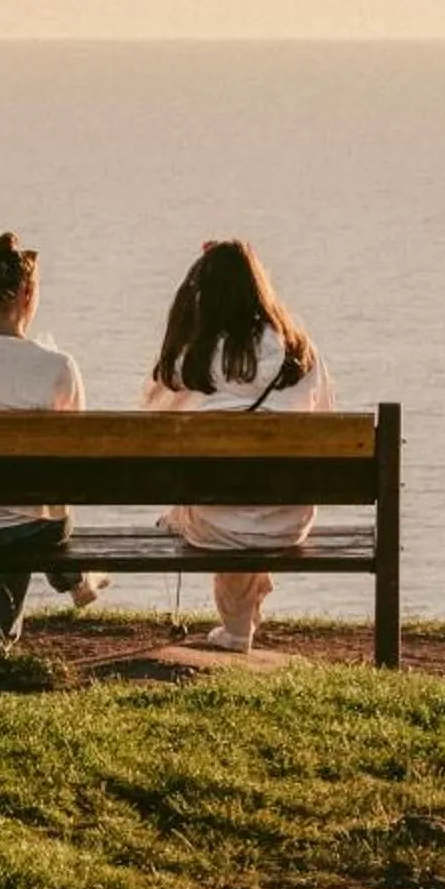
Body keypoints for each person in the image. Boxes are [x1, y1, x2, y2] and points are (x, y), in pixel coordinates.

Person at [143, 235, 336, 651]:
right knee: (246, 502)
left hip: (216, 522)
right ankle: (238, 625)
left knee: (221, 505)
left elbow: (154, 423)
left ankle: (235, 631)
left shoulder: (192, 357)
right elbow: (325, 424)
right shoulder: (300, 353)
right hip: (288, 519)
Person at [0, 230, 110, 651]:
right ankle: (72, 577)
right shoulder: (57, 366)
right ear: (28, 294)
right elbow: (77, 453)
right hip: (32, 530)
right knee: (27, 512)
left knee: (6, 504)